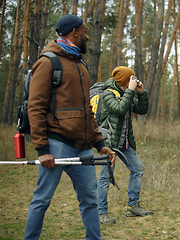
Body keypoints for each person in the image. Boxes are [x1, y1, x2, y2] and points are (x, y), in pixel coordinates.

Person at [25, 15, 115, 240]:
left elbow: (87, 110)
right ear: (74, 32)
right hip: (56, 145)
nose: (87, 35)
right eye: (84, 31)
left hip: (83, 147)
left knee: (89, 202)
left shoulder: (81, 65)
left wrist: (99, 143)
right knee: (42, 200)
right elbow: (35, 108)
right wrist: (42, 150)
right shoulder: (48, 62)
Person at [97, 66, 153, 224]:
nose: (134, 80)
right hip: (109, 144)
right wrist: (130, 90)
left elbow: (142, 110)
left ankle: (133, 206)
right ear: (125, 80)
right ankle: (101, 213)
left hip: (124, 143)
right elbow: (120, 109)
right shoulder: (108, 94)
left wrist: (141, 93)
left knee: (138, 169)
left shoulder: (125, 93)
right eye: (132, 78)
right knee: (106, 177)